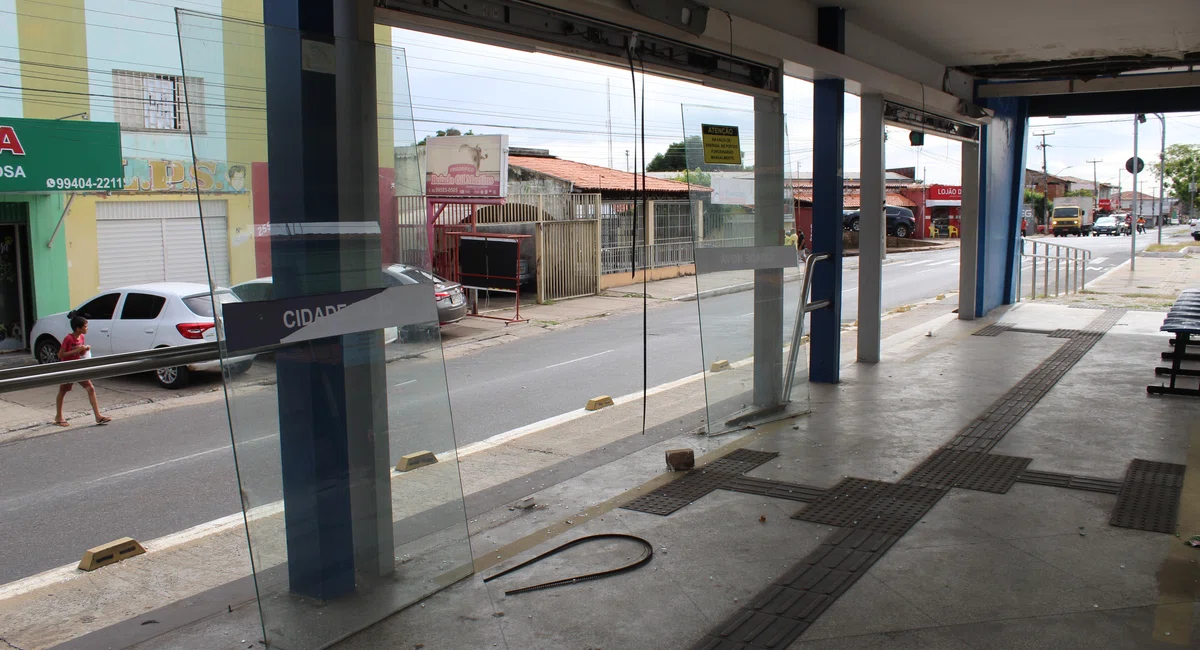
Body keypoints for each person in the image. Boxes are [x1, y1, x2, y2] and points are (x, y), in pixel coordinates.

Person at [53, 312, 111, 427]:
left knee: (90, 388)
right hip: (69, 368)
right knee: (63, 391)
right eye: (85, 327)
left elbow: (81, 352)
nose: (87, 329)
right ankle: (59, 416)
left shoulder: (82, 337)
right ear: (78, 328)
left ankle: (98, 416)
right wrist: (76, 350)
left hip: (78, 367)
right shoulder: (68, 339)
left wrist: (85, 349)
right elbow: (61, 355)